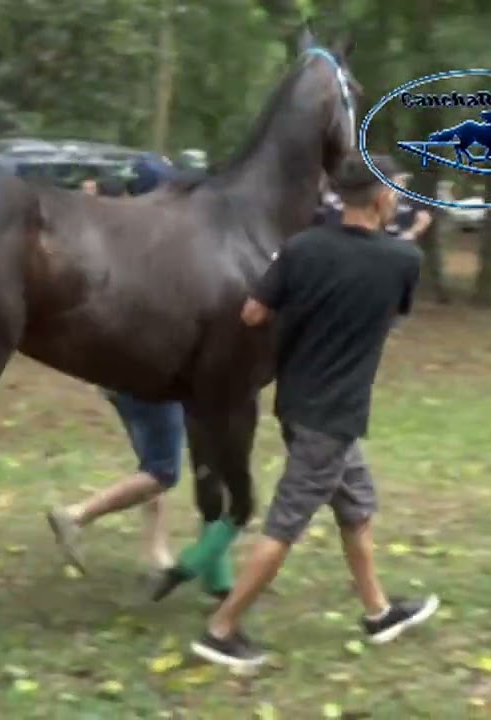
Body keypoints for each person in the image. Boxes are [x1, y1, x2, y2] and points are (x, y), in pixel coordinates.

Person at [189, 153, 439, 670]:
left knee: (355, 504)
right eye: (395, 190)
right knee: (286, 523)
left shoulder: (301, 248)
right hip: (334, 414)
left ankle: (377, 613)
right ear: (382, 198)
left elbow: (252, 312)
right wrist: (406, 239)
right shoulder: (403, 261)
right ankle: (221, 630)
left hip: (298, 403)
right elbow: (393, 309)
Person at [47, 159, 211, 586]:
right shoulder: (157, 250)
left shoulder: (114, 243)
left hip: (116, 373)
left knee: (152, 461)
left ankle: (155, 550)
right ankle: (76, 516)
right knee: (162, 470)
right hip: (147, 371)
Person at [386, 172, 433, 244]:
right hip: (382, 238)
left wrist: (412, 232)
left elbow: (424, 218)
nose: (399, 184)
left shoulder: (412, 199)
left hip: (404, 240)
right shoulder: (380, 197)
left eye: (402, 181)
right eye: (396, 181)